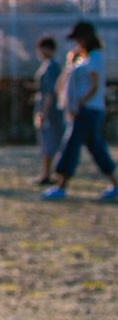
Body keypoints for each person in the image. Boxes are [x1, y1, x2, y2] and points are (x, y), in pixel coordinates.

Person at [43, 21, 118, 202]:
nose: (76, 43)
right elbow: (63, 82)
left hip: (88, 110)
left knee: (71, 145)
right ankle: (115, 184)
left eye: (78, 39)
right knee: (96, 148)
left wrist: (79, 104)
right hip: (86, 110)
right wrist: (71, 62)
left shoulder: (95, 57)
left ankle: (61, 185)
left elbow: (94, 86)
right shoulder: (83, 58)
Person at [32, 36, 65, 185]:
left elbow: (50, 93)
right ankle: (48, 173)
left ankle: (48, 174)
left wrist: (43, 113)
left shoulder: (52, 66)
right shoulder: (49, 65)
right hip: (48, 107)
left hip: (50, 110)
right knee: (49, 140)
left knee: (49, 140)